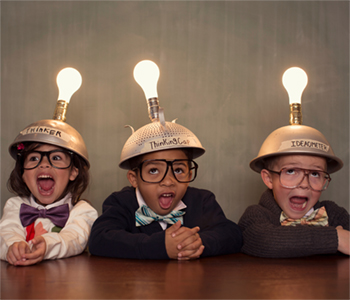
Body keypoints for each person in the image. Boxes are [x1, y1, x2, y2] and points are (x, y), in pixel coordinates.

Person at [89, 108, 242, 260]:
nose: (168, 181)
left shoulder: (201, 201)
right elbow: (99, 239)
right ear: (133, 178)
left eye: (178, 170)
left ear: (189, 175)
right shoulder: (121, 202)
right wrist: (160, 246)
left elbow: (232, 234)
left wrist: (195, 243)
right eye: (154, 170)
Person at [238, 123, 349, 258]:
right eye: (291, 171)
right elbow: (266, 241)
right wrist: (336, 238)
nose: (304, 184)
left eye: (315, 174)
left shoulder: (333, 212)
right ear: (269, 179)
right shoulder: (256, 214)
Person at [0, 119, 98, 266]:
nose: (44, 164)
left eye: (56, 158)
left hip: (64, 283)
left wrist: (48, 244)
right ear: (23, 174)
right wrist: (14, 246)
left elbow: (75, 238)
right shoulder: (15, 205)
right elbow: (6, 232)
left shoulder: (83, 211)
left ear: (73, 172)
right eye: (34, 158)